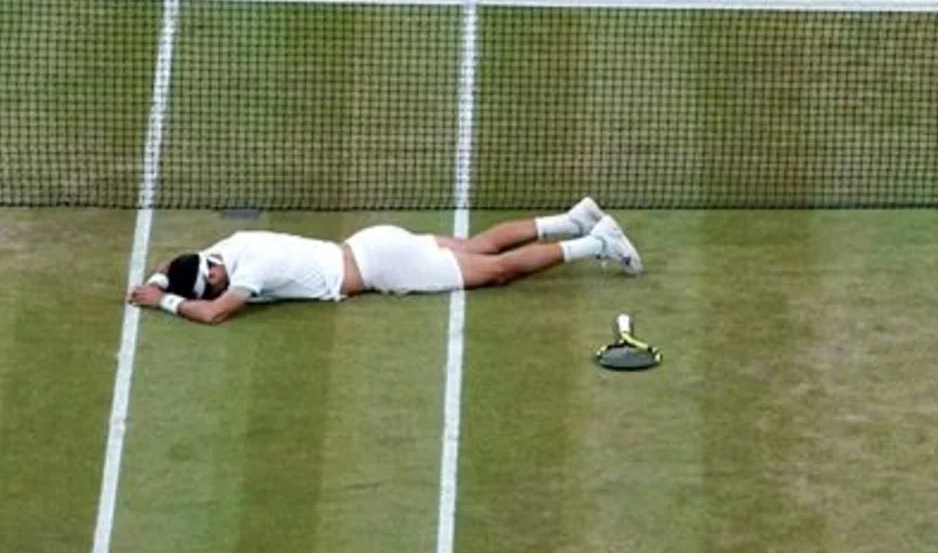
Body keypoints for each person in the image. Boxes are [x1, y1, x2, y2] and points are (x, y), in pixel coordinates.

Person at [126, 196, 640, 326]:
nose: (214, 292)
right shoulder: (232, 242)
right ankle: (573, 219)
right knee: (478, 246)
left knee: (494, 273)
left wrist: (164, 301)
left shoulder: (248, 272)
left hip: (381, 268)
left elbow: (216, 315)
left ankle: (597, 243)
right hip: (373, 242)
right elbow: (180, 267)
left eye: (209, 286)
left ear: (214, 274)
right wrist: (158, 278)